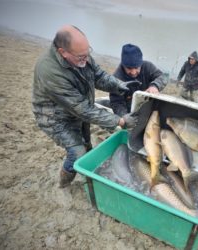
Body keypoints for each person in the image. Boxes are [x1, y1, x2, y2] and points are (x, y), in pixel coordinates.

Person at [32, 25, 138, 188]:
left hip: (78, 111)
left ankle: (86, 173)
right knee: (77, 152)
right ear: (63, 52)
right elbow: (83, 109)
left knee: (87, 145)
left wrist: (119, 85)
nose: (86, 58)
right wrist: (120, 121)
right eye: (81, 56)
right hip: (55, 118)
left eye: (88, 52)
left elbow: (99, 76)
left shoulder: (81, 55)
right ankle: (64, 184)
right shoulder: (49, 71)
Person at [109, 44, 166, 116]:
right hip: (130, 112)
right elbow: (116, 103)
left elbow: (163, 77)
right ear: (123, 65)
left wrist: (155, 86)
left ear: (141, 63)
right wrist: (124, 116)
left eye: (136, 67)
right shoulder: (116, 78)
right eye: (129, 68)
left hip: (149, 107)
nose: (133, 72)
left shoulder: (148, 66)